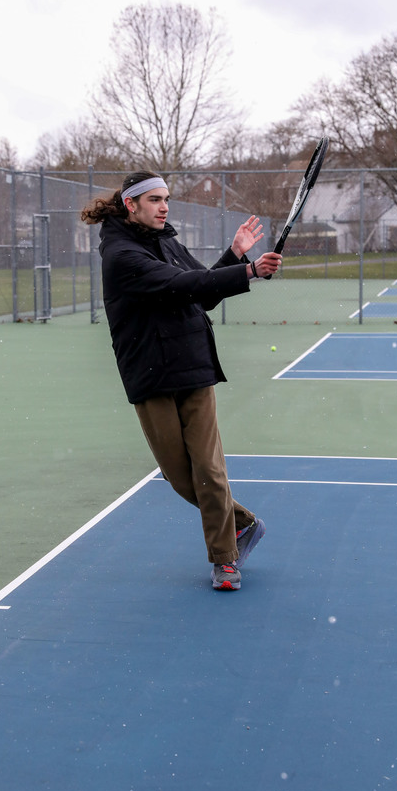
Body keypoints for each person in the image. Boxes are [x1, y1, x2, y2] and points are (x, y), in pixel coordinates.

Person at [81, 170, 281, 590]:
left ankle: (225, 560)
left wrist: (234, 256)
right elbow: (180, 283)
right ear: (130, 205)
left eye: (167, 199)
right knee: (180, 477)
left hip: (193, 364)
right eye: (155, 200)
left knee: (209, 469)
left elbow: (202, 292)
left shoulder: (168, 242)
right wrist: (248, 271)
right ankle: (243, 523)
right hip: (150, 374)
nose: (164, 207)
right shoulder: (120, 255)